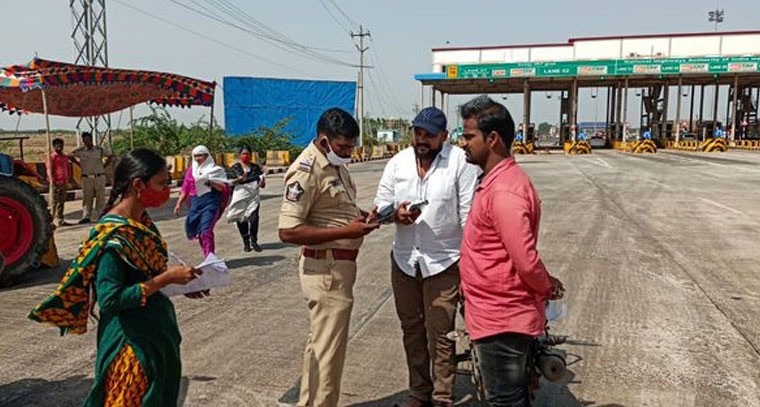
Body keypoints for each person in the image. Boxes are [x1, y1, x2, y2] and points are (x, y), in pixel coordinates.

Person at [29, 148, 209, 407]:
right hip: (132, 348)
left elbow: (144, 275)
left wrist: (180, 284)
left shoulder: (141, 222)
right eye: (161, 183)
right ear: (138, 184)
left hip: (156, 338)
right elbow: (111, 299)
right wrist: (166, 278)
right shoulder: (113, 236)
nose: (167, 190)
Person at [457, 95, 564, 406]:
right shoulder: (495, 182)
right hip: (493, 313)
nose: (463, 144)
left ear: (492, 139)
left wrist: (546, 286)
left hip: (502, 320)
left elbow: (526, 261)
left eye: (469, 136)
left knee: (506, 401)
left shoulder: (504, 191)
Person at [374, 107, 478, 407]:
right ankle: (419, 392)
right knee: (412, 331)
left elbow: (468, 216)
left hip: (444, 263)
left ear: (443, 136)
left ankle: (442, 396)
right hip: (405, 262)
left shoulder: (460, 162)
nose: (421, 140)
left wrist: (469, 265)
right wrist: (395, 215)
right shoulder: (398, 163)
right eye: (417, 133)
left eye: (429, 135)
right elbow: (381, 205)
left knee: (441, 335)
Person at [278, 107, 380, 407]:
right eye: (343, 147)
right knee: (328, 354)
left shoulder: (334, 165)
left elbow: (334, 211)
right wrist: (346, 231)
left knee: (320, 346)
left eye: (351, 146)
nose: (348, 153)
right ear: (324, 141)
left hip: (337, 268)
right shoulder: (306, 171)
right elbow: (288, 231)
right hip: (326, 270)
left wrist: (363, 218)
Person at [174, 145, 231, 258]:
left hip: (211, 202)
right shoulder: (191, 171)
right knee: (198, 230)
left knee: (206, 230)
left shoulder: (216, 170)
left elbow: (223, 188)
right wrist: (179, 203)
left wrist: (211, 183)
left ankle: (210, 257)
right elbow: (185, 188)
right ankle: (207, 255)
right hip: (196, 203)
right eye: (195, 156)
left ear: (207, 156)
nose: (197, 158)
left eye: (200, 155)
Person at [226, 146, 266, 252]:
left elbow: (262, 183)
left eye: (247, 154)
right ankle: (246, 242)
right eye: (243, 154)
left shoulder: (256, 168)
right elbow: (229, 182)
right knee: (241, 218)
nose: (245, 156)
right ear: (239, 155)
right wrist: (238, 179)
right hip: (240, 196)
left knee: (254, 218)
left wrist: (262, 183)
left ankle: (254, 241)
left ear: (251, 155)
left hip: (253, 196)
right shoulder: (235, 168)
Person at [71, 132, 114, 224]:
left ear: (91, 140)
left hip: (99, 176)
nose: (86, 142)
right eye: (84, 140)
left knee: (100, 197)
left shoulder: (99, 150)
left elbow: (110, 156)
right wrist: (78, 164)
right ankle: (86, 216)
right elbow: (70, 155)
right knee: (87, 197)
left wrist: (104, 165)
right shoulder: (81, 151)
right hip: (86, 177)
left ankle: (100, 214)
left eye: (87, 140)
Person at [45, 138, 73, 227]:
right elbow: (49, 169)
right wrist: (52, 181)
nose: (59, 148)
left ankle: (60, 220)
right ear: (54, 146)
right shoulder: (51, 157)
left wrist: (68, 179)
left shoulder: (64, 157)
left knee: (61, 202)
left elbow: (68, 168)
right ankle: (50, 222)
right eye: (57, 146)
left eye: (61, 146)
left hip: (64, 182)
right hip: (55, 183)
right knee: (53, 203)